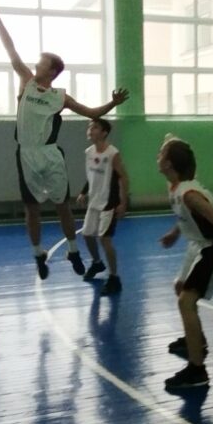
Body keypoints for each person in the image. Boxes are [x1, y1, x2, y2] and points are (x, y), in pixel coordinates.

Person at [0, 1, 129, 280]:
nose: (36, 64)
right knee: (32, 208)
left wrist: (113, 103)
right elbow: (10, 48)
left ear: (51, 71)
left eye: (41, 62)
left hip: (50, 154)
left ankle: (73, 250)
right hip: (26, 154)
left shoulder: (60, 96)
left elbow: (92, 113)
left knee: (63, 204)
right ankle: (38, 253)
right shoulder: (26, 80)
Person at [157, 136, 213, 390]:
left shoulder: (189, 194)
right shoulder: (176, 187)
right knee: (180, 287)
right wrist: (175, 232)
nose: (158, 157)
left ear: (169, 164)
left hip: (212, 247)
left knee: (185, 302)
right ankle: (196, 340)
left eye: (161, 154)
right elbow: (187, 217)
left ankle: (197, 370)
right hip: (197, 243)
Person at [75, 118, 130, 295]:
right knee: (86, 235)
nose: (90, 129)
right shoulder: (89, 152)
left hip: (109, 203)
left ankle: (114, 278)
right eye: (90, 127)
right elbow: (91, 176)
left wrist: (123, 202)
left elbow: (123, 177)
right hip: (94, 201)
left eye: (95, 127)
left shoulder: (112, 153)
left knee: (104, 239)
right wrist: (84, 192)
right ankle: (97, 263)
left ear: (104, 132)